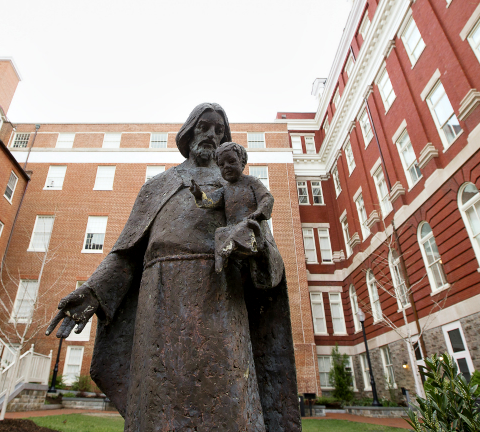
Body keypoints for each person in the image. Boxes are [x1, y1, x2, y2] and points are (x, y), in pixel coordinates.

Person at [46, 103, 300, 432]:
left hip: (220, 307)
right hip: (160, 307)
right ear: (188, 131)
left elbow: (269, 261)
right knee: (156, 407)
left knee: (228, 405)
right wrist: (94, 292)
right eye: (204, 126)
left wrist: (254, 248)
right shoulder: (156, 186)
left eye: (219, 130)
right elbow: (126, 254)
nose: (211, 134)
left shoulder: (237, 188)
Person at [189, 141, 274, 274]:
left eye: (231, 161)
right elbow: (211, 200)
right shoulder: (225, 189)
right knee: (220, 232)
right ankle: (221, 261)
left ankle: (231, 247)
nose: (226, 167)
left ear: (242, 162)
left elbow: (266, 198)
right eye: (221, 165)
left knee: (243, 228)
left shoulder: (252, 182)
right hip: (232, 228)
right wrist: (199, 194)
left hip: (250, 226)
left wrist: (259, 212)